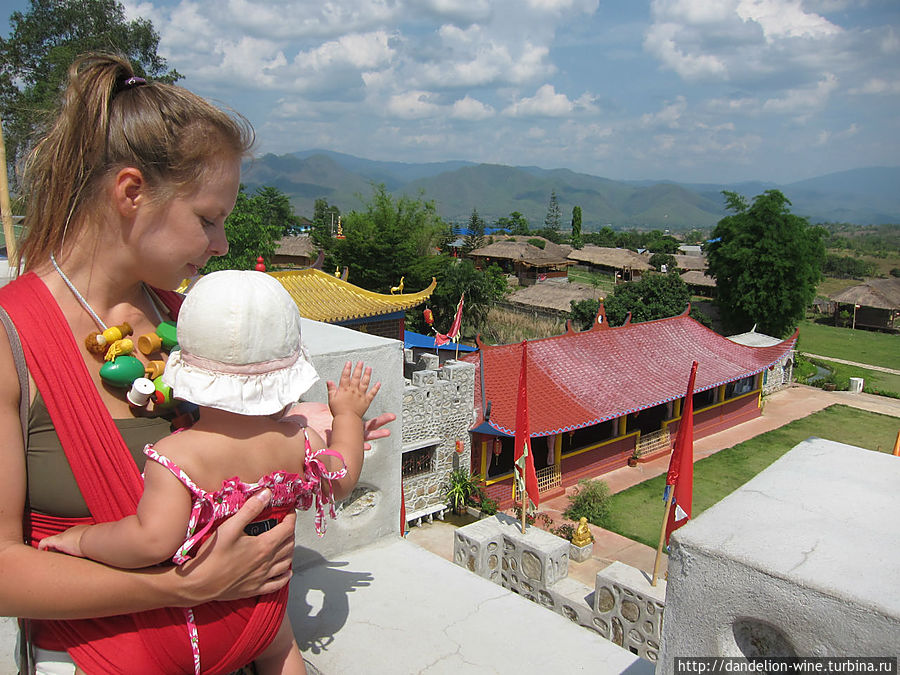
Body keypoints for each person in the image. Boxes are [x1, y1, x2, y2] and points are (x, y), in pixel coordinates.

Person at [0, 52, 394, 674]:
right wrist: (178, 588)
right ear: (131, 193)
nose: (222, 246)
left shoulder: (194, 322)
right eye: (207, 219)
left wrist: (310, 427)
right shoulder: (11, 339)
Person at [40, 270, 379, 675]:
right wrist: (347, 415)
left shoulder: (176, 455)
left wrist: (82, 540)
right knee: (280, 648)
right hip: (263, 613)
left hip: (196, 628)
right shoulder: (299, 442)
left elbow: (151, 542)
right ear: (287, 382)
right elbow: (342, 479)